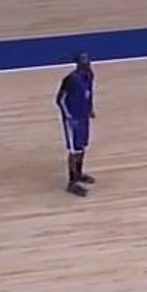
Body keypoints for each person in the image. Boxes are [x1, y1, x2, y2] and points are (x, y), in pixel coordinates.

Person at [56, 53, 95, 197]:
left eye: (88, 63)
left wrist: (90, 109)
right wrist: (69, 116)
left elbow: (89, 94)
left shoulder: (89, 76)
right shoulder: (70, 79)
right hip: (73, 119)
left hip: (83, 117)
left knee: (82, 146)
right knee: (74, 150)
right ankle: (71, 182)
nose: (87, 65)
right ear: (78, 64)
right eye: (84, 63)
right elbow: (60, 99)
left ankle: (78, 173)